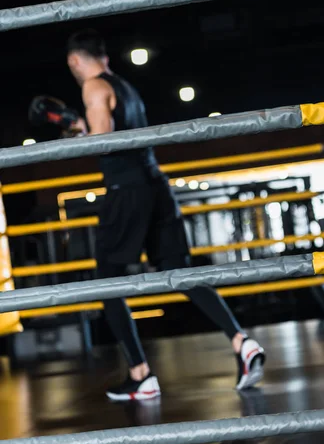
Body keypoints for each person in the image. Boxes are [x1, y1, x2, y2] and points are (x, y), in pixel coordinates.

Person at [66, 29, 265, 401]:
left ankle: (141, 374)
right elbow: (114, 131)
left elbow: (105, 142)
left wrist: (77, 138)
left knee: (106, 280)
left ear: (75, 60)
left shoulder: (92, 86)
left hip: (126, 191)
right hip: (156, 185)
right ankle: (241, 340)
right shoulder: (124, 86)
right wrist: (82, 127)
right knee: (180, 272)